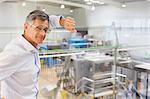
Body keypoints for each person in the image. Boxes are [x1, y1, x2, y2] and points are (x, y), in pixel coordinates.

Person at [0, 10, 76, 99]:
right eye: (38, 28)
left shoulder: (31, 44)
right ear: (26, 27)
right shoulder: (15, 52)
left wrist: (62, 22)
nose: (43, 33)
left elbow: (47, 22)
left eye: (45, 30)